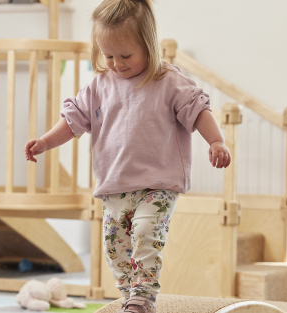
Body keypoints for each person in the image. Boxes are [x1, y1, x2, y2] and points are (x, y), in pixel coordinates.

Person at [25, 0, 230, 312]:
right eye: (108, 55)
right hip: (115, 184)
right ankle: (129, 293)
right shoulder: (99, 87)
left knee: (147, 235)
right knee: (114, 245)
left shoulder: (168, 81)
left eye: (126, 56)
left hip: (158, 183)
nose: (117, 63)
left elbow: (198, 110)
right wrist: (45, 141)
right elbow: (73, 120)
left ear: (148, 45)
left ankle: (142, 298)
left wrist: (216, 141)